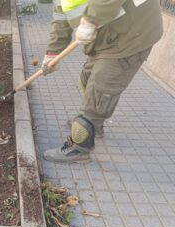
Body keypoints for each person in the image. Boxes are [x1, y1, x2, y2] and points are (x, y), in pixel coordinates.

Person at [42, 0, 163, 163]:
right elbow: (61, 13)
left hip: (132, 34)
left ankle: (79, 148)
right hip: (105, 37)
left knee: (99, 90)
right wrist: (52, 53)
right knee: (86, 79)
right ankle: (94, 125)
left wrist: (91, 20)